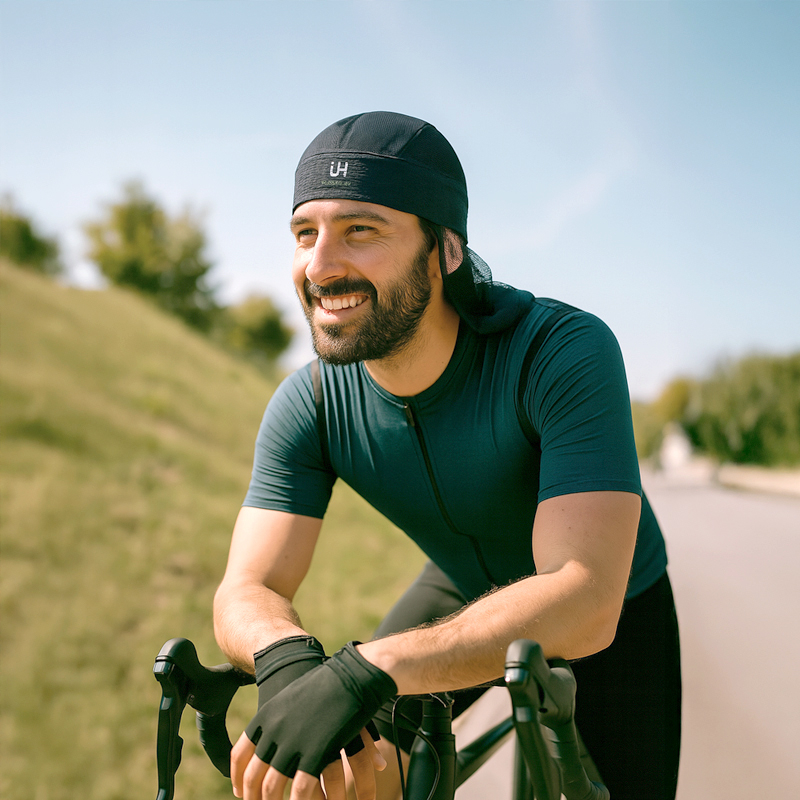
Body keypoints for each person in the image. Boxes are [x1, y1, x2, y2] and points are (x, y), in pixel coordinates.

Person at [213, 111, 681, 800]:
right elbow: (247, 586)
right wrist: (284, 662)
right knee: (342, 778)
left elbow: (584, 596)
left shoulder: (561, 351)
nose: (319, 265)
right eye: (305, 233)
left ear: (446, 251)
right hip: (462, 585)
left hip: (613, 612)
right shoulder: (309, 403)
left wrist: (369, 668)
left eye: (360, 230)